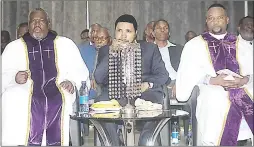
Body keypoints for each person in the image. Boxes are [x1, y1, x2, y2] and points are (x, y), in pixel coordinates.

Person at [1, 8, 90, 146]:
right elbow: (3, 73)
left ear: (49, 24)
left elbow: (80, 73)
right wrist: (14, 77)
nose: (37, 24)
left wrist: (71, 82)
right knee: (13, 97)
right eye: (33, 21)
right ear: (28, 24)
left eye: (41, 20)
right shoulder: (14, 47)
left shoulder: (65, 44)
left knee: (62, 98)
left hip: (58, 88)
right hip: (24, 90)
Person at [176, 4, 253, 146]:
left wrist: (245, 79)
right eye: (211, 18)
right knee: (216, 99)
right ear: (206, 21)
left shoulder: (241, 44)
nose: (215, 21)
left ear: (227, 20)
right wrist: (211, 80)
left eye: (219, 18)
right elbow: (188, 74)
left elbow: (251, 71)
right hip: (211, 88)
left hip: (243, 87)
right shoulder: (194, 45)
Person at [94, 14, 169, 146]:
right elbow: (98, 77)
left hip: (143, 91)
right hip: (115, 93)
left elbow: (163, 75)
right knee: (101, 103)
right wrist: (113, 52)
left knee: (152, 105)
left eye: (128, 31)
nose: (123, 36)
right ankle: (114, 143)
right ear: (114, 32)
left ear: (135, 33)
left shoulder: (149, 49)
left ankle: (145, 142)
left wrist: (148, 84)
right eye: (119, 31)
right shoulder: (106, 50)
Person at [152, 19, 183, 97]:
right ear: (153, 33)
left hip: (178, 82)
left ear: (169, 33)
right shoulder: (148, 50)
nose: (162, 30)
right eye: (159, 28)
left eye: (165, 28)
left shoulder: (179, 49)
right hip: (157, 84)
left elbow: (186, 69)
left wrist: (179, 83)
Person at [236, 16, 253, 145]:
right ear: (239, 28)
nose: (250, 27)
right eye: (247, 24)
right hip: (241, 91)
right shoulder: (231, 46)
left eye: (253, 25)